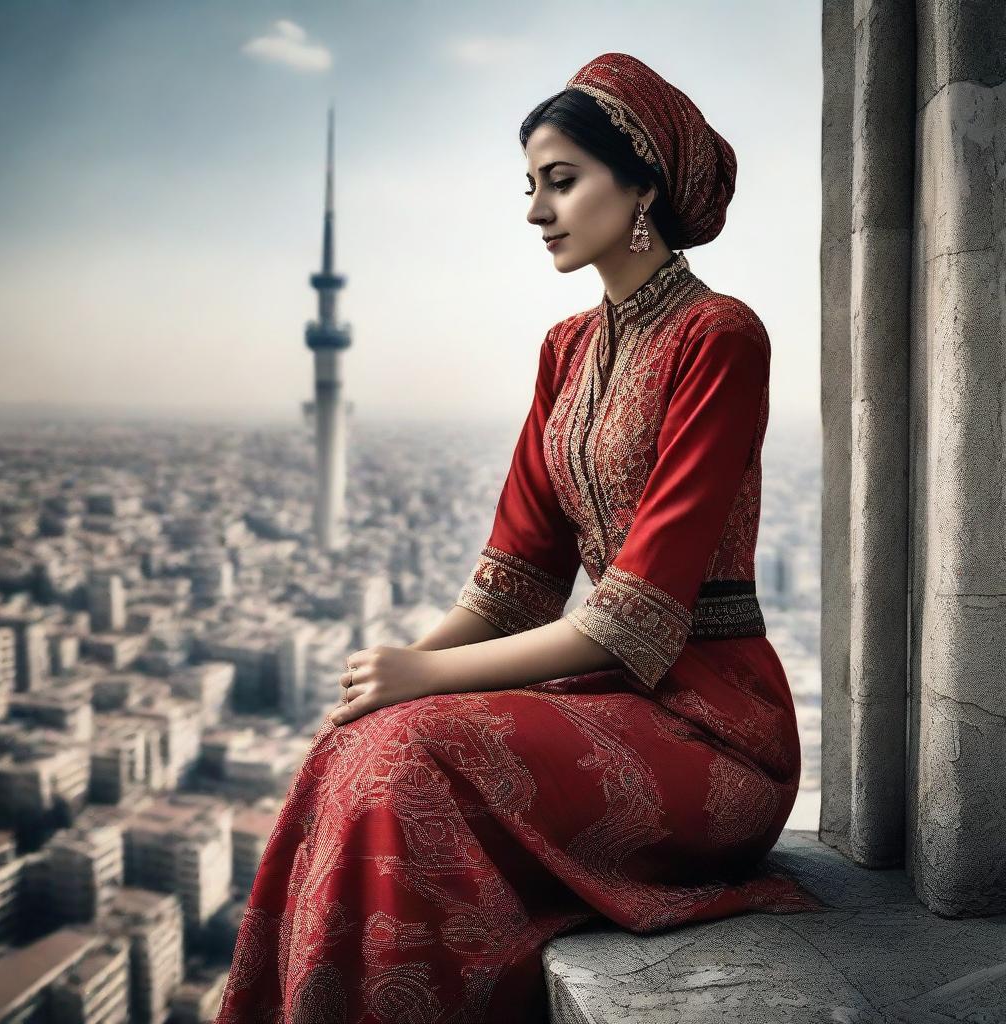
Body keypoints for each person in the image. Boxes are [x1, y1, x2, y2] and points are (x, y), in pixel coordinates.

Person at [214, 52, 828, 1024]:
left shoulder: (720, 337)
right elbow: (513, 581)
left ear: (640, 185)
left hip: (718, 733)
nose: (536, 209)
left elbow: (633, 622)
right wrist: (402, 663)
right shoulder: (565, 350)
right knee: (354, 743)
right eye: (530, 186)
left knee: (408, 747)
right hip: (605, 706)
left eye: (561, 180)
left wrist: (423, 681)